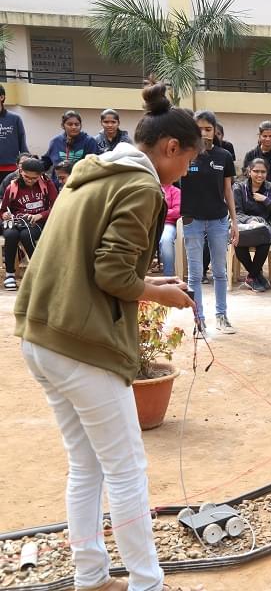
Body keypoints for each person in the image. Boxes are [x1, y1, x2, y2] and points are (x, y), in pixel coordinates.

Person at [15, 82, 202, 591]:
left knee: (86, 465)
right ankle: (147, 582)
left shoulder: (92, 173)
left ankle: (91, 576)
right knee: (124, 470)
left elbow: (99, 262)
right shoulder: (142, 188)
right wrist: (161, 297)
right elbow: (112, 276)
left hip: (41, 334)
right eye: (186, 162)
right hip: (82, 343)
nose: (184, 173)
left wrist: (155, 282)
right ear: (170, 148)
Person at [180, 110, 239, 334]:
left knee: (220, 271)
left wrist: (234, 221)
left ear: (215, 132)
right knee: (195, 274)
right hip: (192, 219)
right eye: (199, 129)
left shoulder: (224, 156)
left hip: (218, 220)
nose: (204, 133)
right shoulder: (185, 155)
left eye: (208, 129)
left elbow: (228, 190)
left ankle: (222, 316)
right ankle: (199, 320)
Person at [1, 158, 57, 290]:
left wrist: (40, 215)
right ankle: (10, 274)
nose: (30, 180)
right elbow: (3, 210)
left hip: (38, 222)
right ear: (21, 171)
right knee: (10, 234)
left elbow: (56, 206)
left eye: (34, 178)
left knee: (27, 235)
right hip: (17, 221)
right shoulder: (12, 186)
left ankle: (39, 271)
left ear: (40, 175)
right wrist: (5, 215)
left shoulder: (47, 184)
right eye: (27, 177)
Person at [232, 158, 271, 292]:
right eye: (256, 171)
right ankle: (256, 276)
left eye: (263, 172)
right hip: (243, 227)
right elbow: (236, 212)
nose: (259, 175)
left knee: (265, 241)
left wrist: (266, 200)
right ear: (249, 172)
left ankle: (251, 277)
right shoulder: (239, 188)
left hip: (263, 230)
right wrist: (251, 221)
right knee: (238, 242)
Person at [41, 110, 100, 177]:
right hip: (59, 184)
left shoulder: (89, 142)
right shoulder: (56, 142)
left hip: (80, 183)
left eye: (77, 124)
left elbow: (94, 165)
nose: (74, 127)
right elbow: (46, 161)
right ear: (63, 126)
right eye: (70, 124)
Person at [0, 85, 28, 179]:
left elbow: (23, 145)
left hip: (12, 170)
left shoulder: (15, 119)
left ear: (2, 97)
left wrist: (26, 164)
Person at [158, 183, 180, 277]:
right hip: (149, 224)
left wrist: (159, 213)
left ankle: (169, 275)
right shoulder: (149, 188)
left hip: (168, 224)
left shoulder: (175, 191)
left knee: (166, 239)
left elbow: (177, 211)